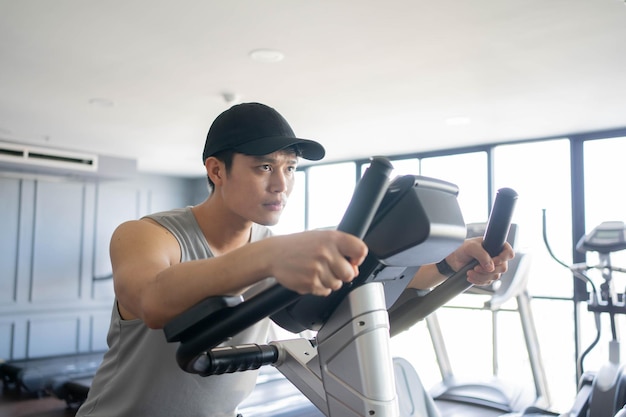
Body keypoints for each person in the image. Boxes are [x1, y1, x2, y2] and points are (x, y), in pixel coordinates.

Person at [76, 102, 514, 417]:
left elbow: (358, 280)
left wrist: (446, 264)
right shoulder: (146, 235)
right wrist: (267, 255)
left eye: (290, 168)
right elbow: (152, 298)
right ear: (216, 170)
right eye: (264, 167)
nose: (281, 184)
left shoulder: (273, 249)